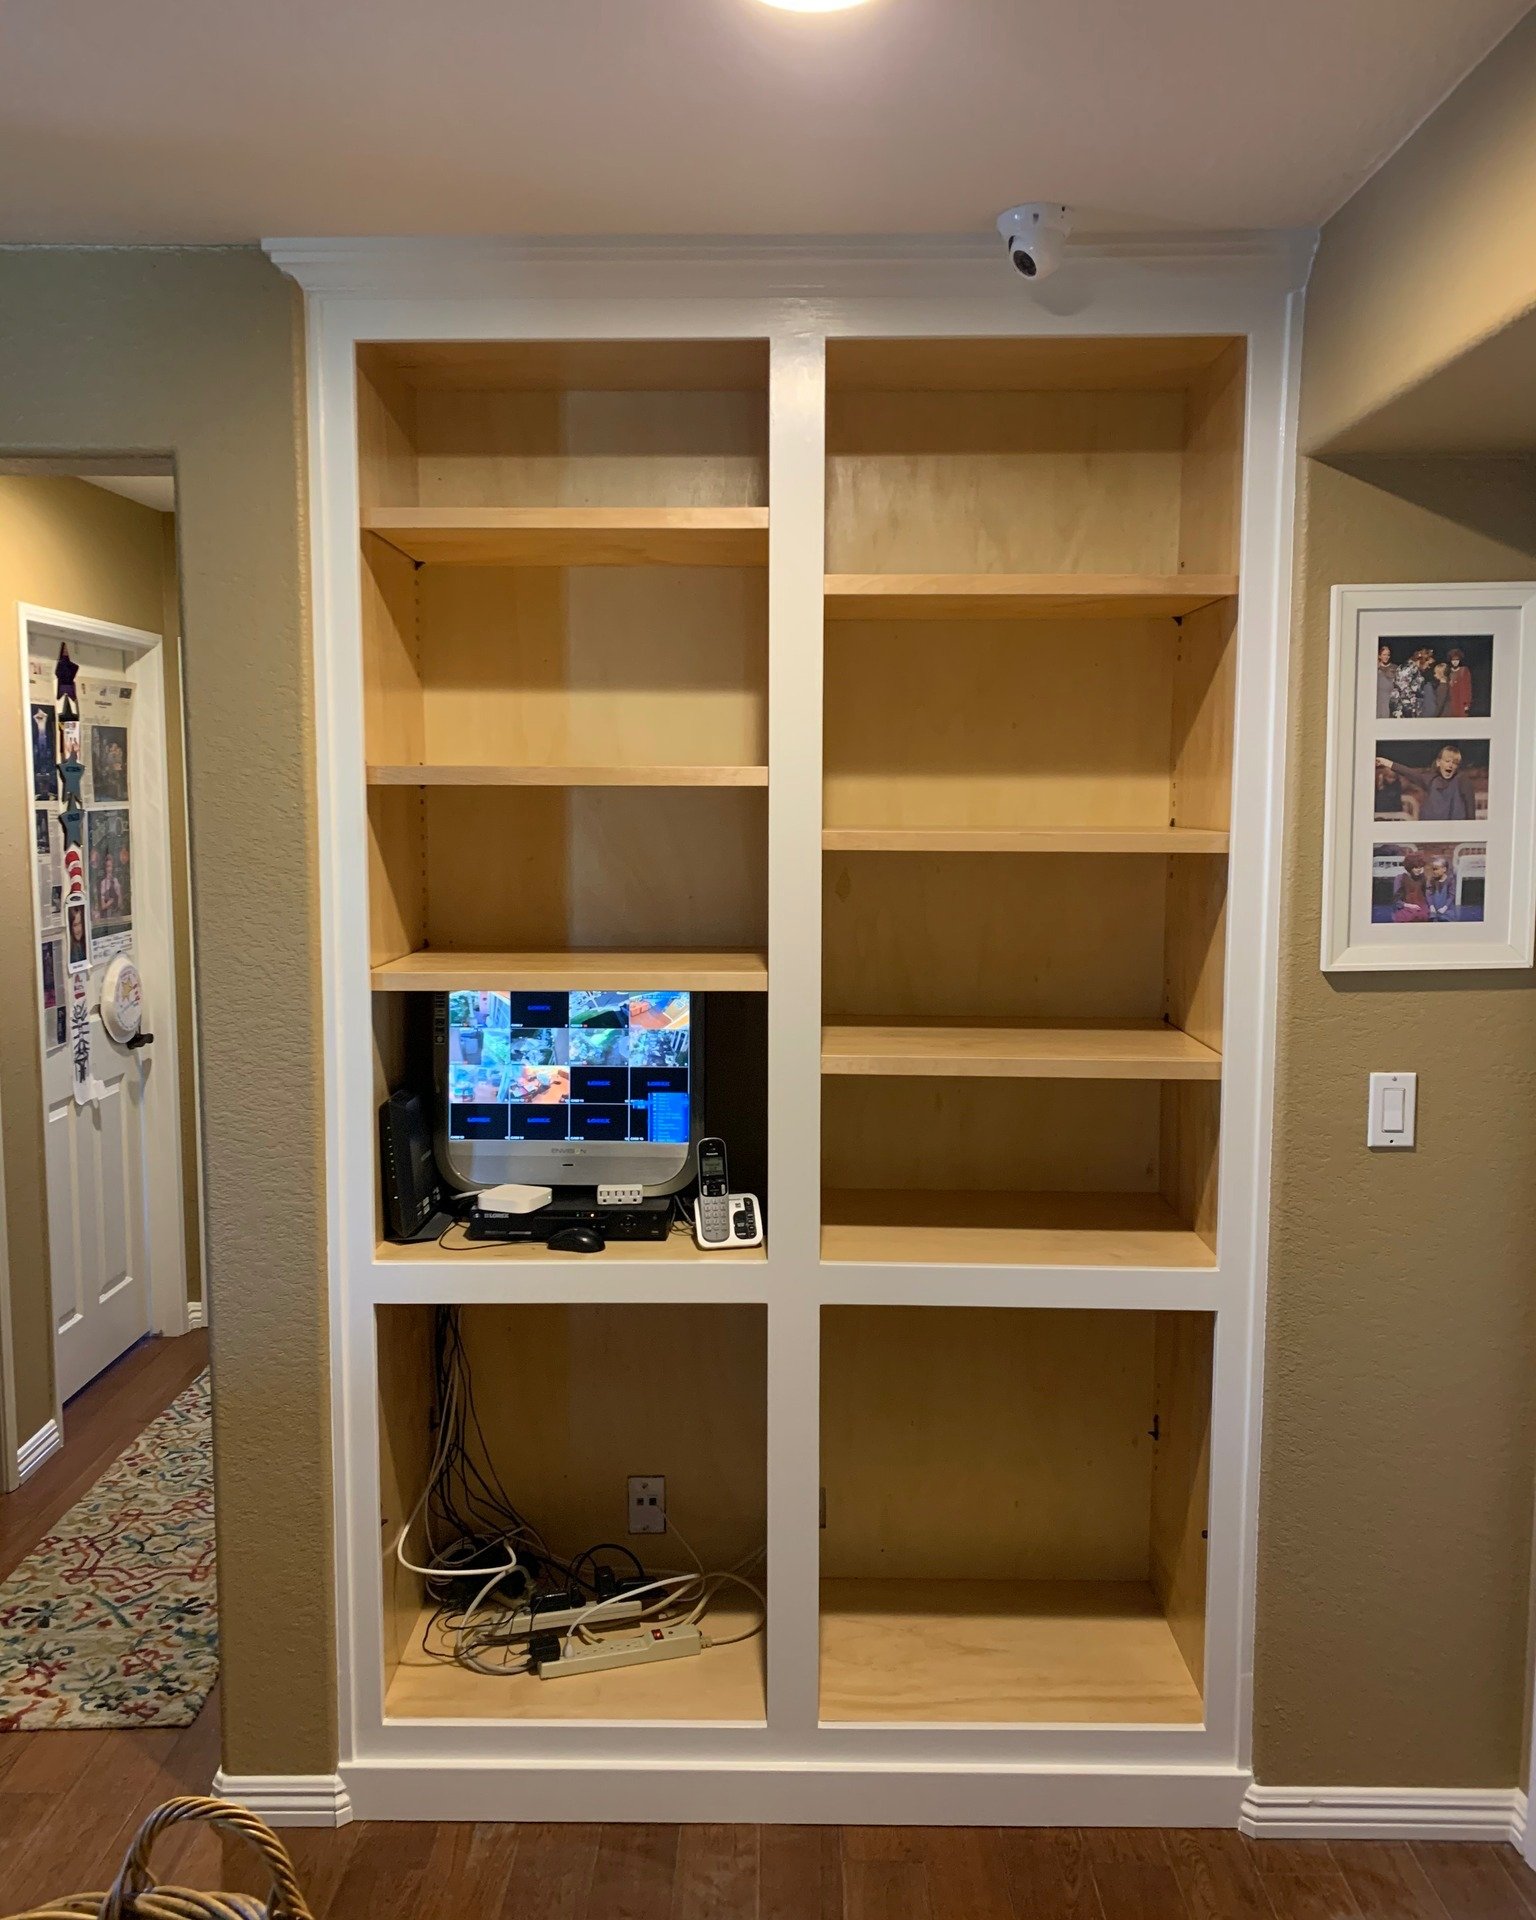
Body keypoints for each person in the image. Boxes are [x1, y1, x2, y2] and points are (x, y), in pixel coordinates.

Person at [1376, 743, 1482, 822]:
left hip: (1454, 834)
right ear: (1438, 762)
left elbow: (1470, 810)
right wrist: (1386, 762)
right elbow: (1409, 773)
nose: (1450, 765)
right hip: (1430, 832)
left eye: (1454, 763)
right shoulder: (1430, 779)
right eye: (1447, 761)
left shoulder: (1462, 780)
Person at [1391, 851, 1431, 922]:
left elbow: (1426, 895)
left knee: (1423, 916)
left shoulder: (1423, 878)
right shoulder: (1400, 878)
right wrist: (1409, 906)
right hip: (1405, 906)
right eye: (1416, 868)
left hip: (1420, 906)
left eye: (1420, 867)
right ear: (1410, 867)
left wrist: (1430, 906)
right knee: (1405, 917)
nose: (1419, 870)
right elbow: (1396, 901)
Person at [1425, 855, 1457, 921]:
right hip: (1434, 908)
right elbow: (1429, 894)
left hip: (1446, 908)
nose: (1435, 871)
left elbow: (1451, 896)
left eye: (1437, 869)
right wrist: (1431, 906)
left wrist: (1445, 908)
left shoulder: (1450, 880)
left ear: (1444, 869)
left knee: (1446, 919)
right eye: (1433, 869)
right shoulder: (1432, 880)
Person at [1446, 646, 1474, 718]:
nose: (1455, 662)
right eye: (1453, 660)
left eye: (1457, 660)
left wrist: (1467, 704)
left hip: (1461, 701)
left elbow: (1467, 688)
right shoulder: (1448, 671)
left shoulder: (1464, 670)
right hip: (1450, 702)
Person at [1377, 643, 1395, 718]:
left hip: (1390, 697)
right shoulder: (1375, 667)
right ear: (1379, 656)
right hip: (1379, 696)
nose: (1386, 657)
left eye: (1388, 655)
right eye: (1384, 654)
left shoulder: (1394, 667)